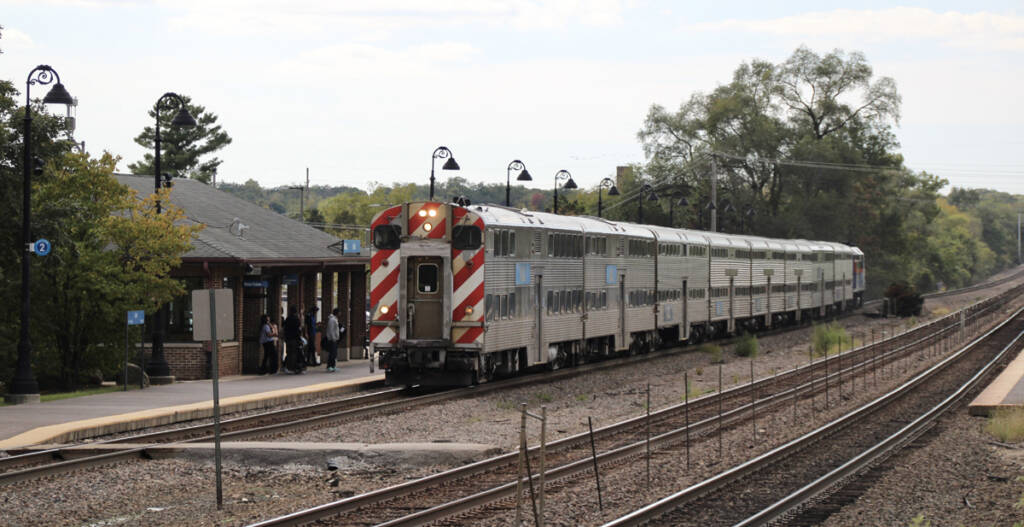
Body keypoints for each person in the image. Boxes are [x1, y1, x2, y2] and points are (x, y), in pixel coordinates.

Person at [283, 305, 304, 374]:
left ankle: (288, 367)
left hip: (288, 338)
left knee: (289, 353)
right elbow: (298, 330)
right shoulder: (296, 319)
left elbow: (285, 329)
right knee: (295, 353)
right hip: (295, 339)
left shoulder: (287, 319)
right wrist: (300, 339)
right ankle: (294, 368)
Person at [325, 308, 344, 372]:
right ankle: (330, 366)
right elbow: (331, 330)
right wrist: (333, 338)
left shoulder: (334, 319)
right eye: (339, 312)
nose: (340, 313)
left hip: (335, 339)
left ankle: (333, 366)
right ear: (337, 313)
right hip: (332, 339)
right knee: (332, 353)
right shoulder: (332, 320)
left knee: (334, 353)